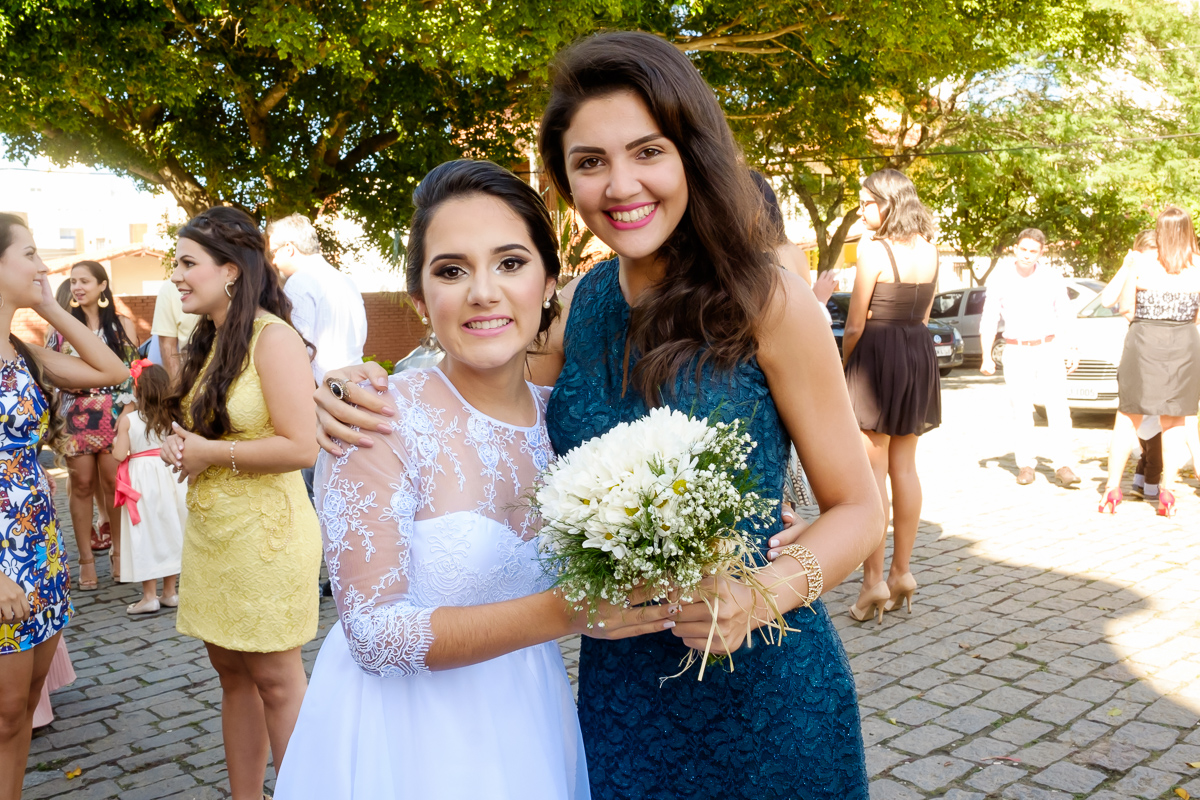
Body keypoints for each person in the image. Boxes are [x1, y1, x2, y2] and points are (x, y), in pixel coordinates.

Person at [315, 32, 883, 800]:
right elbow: (484, 384)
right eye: (590, 163)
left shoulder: (768, 303)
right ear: (567, 182)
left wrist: (765, 594)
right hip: (620, 697)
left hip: (765, 687)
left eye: (647, 152)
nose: (621, 185)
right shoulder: (580, 305)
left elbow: (858, 508)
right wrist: (358, 385)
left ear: (692, 153)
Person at [276, 159, 682, 800]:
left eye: (511, 263)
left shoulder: (575, 425)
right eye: (451, 270)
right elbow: (375, 636)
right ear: (420, 299)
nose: (483, 292)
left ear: (550, 283)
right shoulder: (377, 419)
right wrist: (570, 612)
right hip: (405, 742)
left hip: (529, 716)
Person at [159, 207, 322, 800]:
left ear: (230, 270)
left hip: (267, 537)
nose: (175, 276)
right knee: (231, 676)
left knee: (277, 682)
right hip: (215, 535)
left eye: (186, 263)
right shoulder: (211, 340)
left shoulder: (272, 339)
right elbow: (221, 433)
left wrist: (209, 454)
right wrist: (190, 448)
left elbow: (302, 446)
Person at [0, 214, 129, 800]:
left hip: (40, 547)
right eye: (29, 254)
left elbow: (112, 370)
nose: (43, 265)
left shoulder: (24, 353)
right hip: (1, 557)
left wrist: (50, 310)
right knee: (3, 708)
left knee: (23, 707)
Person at [841, 169, 940, 624]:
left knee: (873, 472)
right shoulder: (931, 248)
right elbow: (925, 308)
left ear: (890, 202)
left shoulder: (873, 249)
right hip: (918, 352)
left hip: (877, 357)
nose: (862, 210)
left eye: (868, 202)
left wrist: (843, 365)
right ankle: (902, 573)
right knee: (905, 466)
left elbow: (857, 322)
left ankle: (872, 582)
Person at [1099, 205, 1200, 517]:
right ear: (1188, 231)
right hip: (1184, 343)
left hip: (1143, 343)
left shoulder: (1143, 263)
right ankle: (1167, 493)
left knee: (1127, 419)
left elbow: (1126, 309)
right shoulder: (1198, 266)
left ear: (1159, 230)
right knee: (1175, 422)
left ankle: (1111, 490)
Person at [46, 261, 139, 588]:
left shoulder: (123, 325)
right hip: (75, 415)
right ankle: (86, 560)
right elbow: (49, 373)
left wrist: (128, 415)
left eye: (85, 281)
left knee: (113, 484)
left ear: (102, 286)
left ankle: (118, 553)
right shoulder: (61, 328)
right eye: (73, 282)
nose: (77, 287)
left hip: (115, 414)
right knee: (82, 483)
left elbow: (132, 373)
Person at [266, 214, 367, 500]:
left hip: (321, 400)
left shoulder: (299, 283)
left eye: (273, 252)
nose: (272, 262)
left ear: (289, 248)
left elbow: (297, 352)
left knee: (316, 496)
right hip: (354, 394)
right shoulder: (345, 281)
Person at [979, 229, 1083, 487]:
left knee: (1058, 407)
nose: (1027, 255)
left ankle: (1063, 465)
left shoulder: (1051, 277)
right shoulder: (1000, 278)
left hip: (1048, 348)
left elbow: (1066, 314)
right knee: (1022, 409)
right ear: (1015, 248)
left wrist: (1072, 347)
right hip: (1016, 350)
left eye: (1033, 251)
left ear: (1041, 252)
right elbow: (989, 317)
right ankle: (1026, 464)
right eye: (1023, 249)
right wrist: (986, 356)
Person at [113, 360, 185, 615]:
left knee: (146, 532)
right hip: (169, 473)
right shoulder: (173, 417)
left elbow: (120, 454)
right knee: (170, 528)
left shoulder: (130, 420)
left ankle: (149, 596)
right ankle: (170, 593)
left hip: (142, 480)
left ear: (138, 390)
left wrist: (123, 416)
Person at [150, 279, 200, 383]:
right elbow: (167, 346)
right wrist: (178, 390)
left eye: (189, 263)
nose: (175, 276)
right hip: (190, 382)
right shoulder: (169, 288)